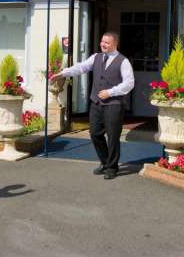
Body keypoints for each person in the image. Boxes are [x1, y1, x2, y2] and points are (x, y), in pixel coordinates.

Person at [53, 31, 134, 180]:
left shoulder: (123, 61)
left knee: (113, 136)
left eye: (107, 43)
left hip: (114, 104)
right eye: (102, 41)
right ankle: (105, 162)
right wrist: (63, 73)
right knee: (95, 133)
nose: (103, 44)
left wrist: (111, 92)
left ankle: (112, 167)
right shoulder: (96, 57)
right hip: (96, 103)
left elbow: (129, 83)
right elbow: (81, 67)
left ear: (115, 44)